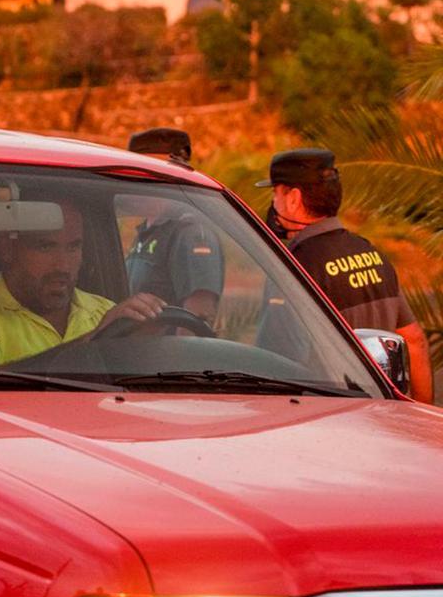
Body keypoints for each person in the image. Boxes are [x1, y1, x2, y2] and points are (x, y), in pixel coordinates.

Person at [257, 147, 433, 402]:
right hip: (380, 416)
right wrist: (419, 420)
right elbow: (414, 341)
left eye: (275, 194)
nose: (273, 204)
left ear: (293, 199)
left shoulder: (294, 267)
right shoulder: (372, 254)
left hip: (324, 419)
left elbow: (276, 364)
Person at [0, 199, 167, 366]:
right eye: (45, 247)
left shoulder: (104, 311)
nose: (63, 266)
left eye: (73, 247)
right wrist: (93, 341)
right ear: (7, 248)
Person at [124, 128, 224, 324]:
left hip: (167, 352)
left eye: (137, 169)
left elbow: (199, 315)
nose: (131, 178)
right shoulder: (147, 231)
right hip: (134, 351)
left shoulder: (190, 233)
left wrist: (178, 354)